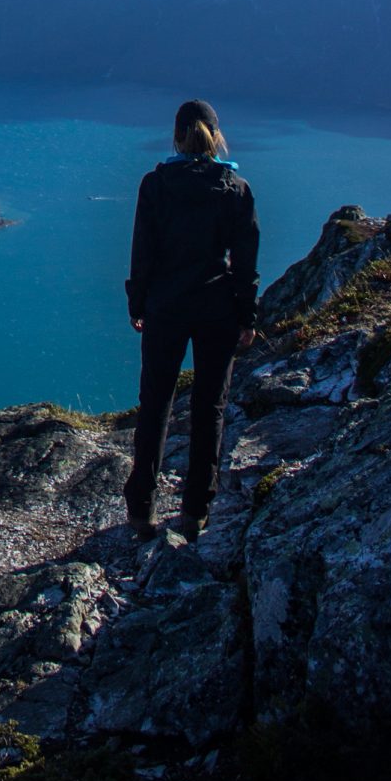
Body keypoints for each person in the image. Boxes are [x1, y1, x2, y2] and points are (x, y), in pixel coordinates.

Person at [123, 98, 259, 542]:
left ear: (177, 136)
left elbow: (143, 252)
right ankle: (196, 510)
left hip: (166, 307)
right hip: (217, 309)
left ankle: (141, 510)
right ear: (216, 138)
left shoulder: (156, 185)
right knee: (209, 408)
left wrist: (138, 304)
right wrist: (246, 315)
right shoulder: (235, 187)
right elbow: (244, 263)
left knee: (156, 405)